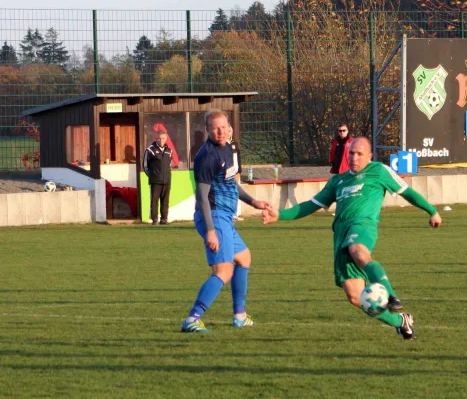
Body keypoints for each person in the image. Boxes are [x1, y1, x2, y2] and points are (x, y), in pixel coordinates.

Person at [262, 137, 442, 340]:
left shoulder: (379, 171)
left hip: (362, 226)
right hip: (340, 235)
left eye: (359, 154)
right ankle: (401, 322)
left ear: (369, 156)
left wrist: (432, 211)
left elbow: (407, 192)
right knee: (356, 297)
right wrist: (280, 215)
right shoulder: (337, 180)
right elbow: (310, 205)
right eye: (351, 153)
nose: (354, 157)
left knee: (358, 250)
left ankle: (391, 296)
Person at [181, 109, 271, 333]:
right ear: (208, 130)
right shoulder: (207, 156)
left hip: (225, 217)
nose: (220, 131)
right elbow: (202, 196)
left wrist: (254, 202)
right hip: (214, 215)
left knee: (244, 258)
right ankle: (193, 318)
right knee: (223, 271)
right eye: (215, 128)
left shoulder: (230, 149)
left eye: (223, 127)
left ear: (229, 127)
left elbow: (230, 182)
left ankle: (239, 316)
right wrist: (210, 230)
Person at [143, 131, 172, 225]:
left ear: (166, 138)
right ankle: (155, 220)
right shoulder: (150, 150)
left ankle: (164, 219)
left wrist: (167, 176)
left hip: (167, 180)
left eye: (163, 138)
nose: (161, 140)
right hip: (155, 181)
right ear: (156, 138)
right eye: (159, 138)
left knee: (165, 201)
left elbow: (169, 165)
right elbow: (145, 166)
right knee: (154, 201)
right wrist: (152, 176)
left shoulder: (169, 150)